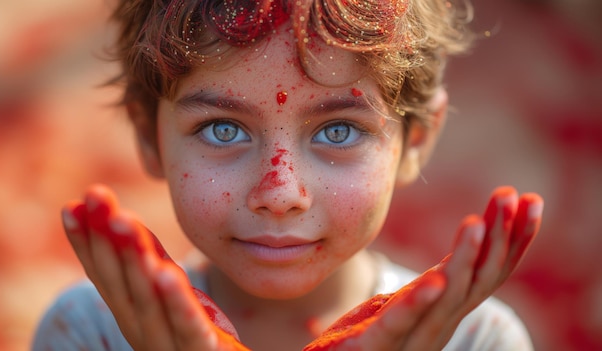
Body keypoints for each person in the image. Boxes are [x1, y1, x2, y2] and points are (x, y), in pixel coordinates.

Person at [32, 0, 544, 350]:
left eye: (339, 130)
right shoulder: (89, 331)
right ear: (149, 138)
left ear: (415, 140)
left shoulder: (478, 338)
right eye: (224, 129)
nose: (280, 195)